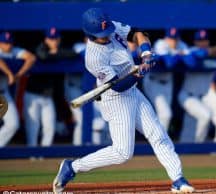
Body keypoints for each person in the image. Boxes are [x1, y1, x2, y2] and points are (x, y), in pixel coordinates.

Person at [53, 8, 194, 194]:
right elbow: (118, 86)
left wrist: (145, 52)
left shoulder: (113, 28)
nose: (106, 36)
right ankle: (72, 167)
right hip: (116, 98)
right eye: (101, 35)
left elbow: (138, 33)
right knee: (123, 153)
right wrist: (139, 73)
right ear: (90, 34)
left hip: (133, 90)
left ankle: (177, 179)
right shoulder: (93, 57)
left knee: (158, 134)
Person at [24, 27, 77, 147]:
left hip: (47, 96)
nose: (54, 42)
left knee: (50, 128)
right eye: (51, 39)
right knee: (33, 128)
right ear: (46, 39)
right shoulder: (38, 47)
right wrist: (56, 54)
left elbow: (73, 54)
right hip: (32, 94)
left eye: (56, 39)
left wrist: (56, 53)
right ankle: (31, 157)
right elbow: (42, 56)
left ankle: (43, 158)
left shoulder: (60, 49)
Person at [178, 30, 216, 143]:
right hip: (188, 96)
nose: (202, 43)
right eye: (200, 41)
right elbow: (193, 57)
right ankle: (198, 147)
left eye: (205, 40)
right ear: (195, 42)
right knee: (204, 116)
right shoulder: (191, 51)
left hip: (204, 97)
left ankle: (201, 150)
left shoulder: (214, 52)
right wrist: (210, 52)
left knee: (188, 134)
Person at [143, 27, 189, 131]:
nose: (173, 41)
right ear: (166, 37)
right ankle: (160, 143)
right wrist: (179, 55)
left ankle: (159, 141)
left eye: (175, 39)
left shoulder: (181, 44)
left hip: (168, 83)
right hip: (153, 81)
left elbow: (191, 62)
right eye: (170, 38)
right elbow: (169, 63)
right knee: (165, 115)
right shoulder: (161, 44)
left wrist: (179, 55)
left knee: (164, 116)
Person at [0, 31, 36, 147]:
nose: (8, 45)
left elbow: (31, 58)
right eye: (5, 43)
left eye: (9, 43)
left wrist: (19, 75)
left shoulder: (14, 51)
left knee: (13, 124)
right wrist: (9, 74)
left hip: (3, 94)